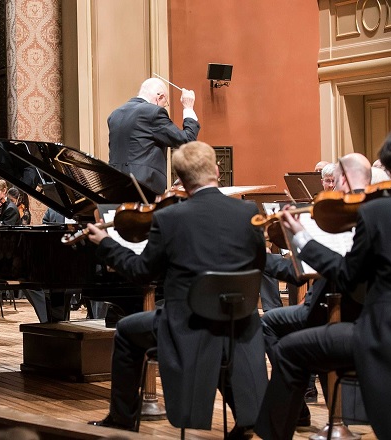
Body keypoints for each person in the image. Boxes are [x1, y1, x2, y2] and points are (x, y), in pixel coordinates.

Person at [86, 141, 267, 434]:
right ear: (217, 172)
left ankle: (122, 418)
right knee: (220, 338)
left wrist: (106, 244)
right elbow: (258, 263)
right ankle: (246, 420)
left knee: (127, 331)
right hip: (238, 320)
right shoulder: (247, 212)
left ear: (181, 180)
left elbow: (141, 272)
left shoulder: (169, 218)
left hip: (187, 324)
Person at [255, 128, 391, 440]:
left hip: (386, 336)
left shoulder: (380, 212)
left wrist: (301, 237)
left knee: (289, 349)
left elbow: (346, 276)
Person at [261, 153, 371, 427]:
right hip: (358, 311)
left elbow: (329, 271)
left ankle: (298, 396)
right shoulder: (376, 209)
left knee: (269, 324)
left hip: (334, 308)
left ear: (342, 179)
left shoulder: (351, 216)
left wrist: (299, 237)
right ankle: (312, 398)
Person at [107, 77, 200, 194]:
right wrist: (188, 108)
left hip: (115, 185)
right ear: (160, 97)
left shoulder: (115, 114)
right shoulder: (153, 112)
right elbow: (187, 140)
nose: (163, 107)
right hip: (143, 187)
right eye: (164, 104)